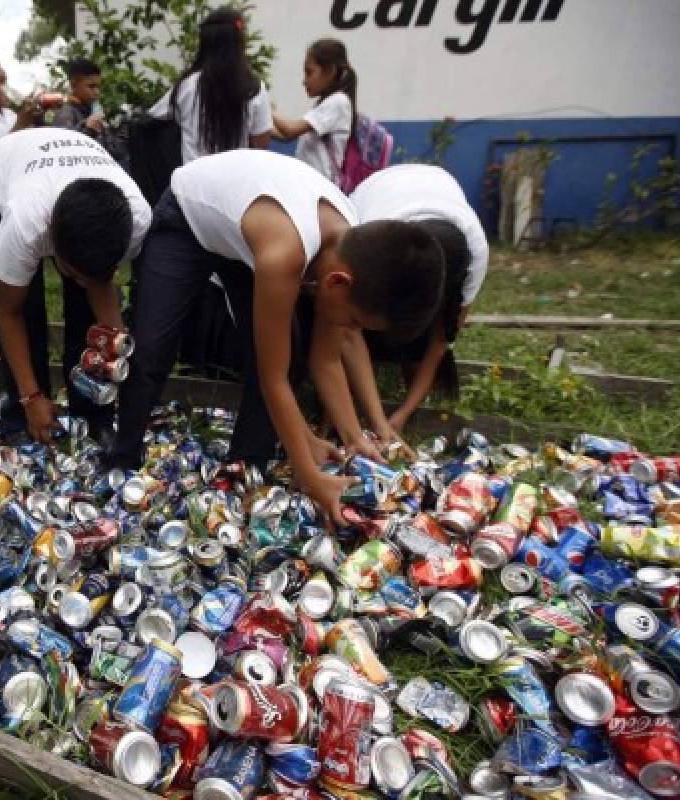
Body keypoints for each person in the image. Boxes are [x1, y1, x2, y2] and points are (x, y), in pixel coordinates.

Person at [108, 150, 445, 525]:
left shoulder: (353, 245)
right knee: (153, 346)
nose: (351, 330)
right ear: (337, 282)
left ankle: (245, 468)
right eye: (353, 320)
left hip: (248, 230)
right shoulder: (284, 255)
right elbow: (275, 379)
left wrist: (354, 439)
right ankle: (122, 460)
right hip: (188, 219)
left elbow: (326, 359)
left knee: (290, 350)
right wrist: (309, 476)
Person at [0, 128, 151, 443]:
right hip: (4, 168)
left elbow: (104, 288)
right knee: (26, 306)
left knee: (86, 308)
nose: (85, 281)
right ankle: (21, 414)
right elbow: (9, 313)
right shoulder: (24, 225)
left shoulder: (136, 218)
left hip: (71, 170)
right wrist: (31, 397)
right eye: (75, 273)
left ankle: (93, 414)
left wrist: (115, 367)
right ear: (54, 247)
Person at [339, 163, 489, 436]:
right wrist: (363, 419)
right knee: (366, 318)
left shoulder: (474, 254)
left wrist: (401, 416)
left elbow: (441, 343)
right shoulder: (373, 239)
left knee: (417, 337)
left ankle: (409, 392)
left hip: (436, 183)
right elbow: (346, 330)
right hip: (379, 191)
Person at [147, 6, 272, 164]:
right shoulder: (253, 88)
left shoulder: (187, 86)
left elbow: (152, 117)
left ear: (205, 44)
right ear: (239, 44)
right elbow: (261, 143)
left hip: (192, 183)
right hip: (235, 183)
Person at [270, 38, 355, 186]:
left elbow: (290, 130)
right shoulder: (324, 104)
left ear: (330, 71)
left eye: (309, 73)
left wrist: (263, 103)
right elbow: (285, 136)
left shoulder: (338, 102)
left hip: (321, 188)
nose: (304, 81)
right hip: (312, 185)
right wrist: (255, 123)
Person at [53, 58, 128, 166]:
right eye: (91, 86)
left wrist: (125, 127)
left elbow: (116, 153)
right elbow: (63, 151)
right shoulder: (64, 112)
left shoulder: (91, 112)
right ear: (73, 85)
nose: (97, 92)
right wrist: (88, 130)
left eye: (98, 87)